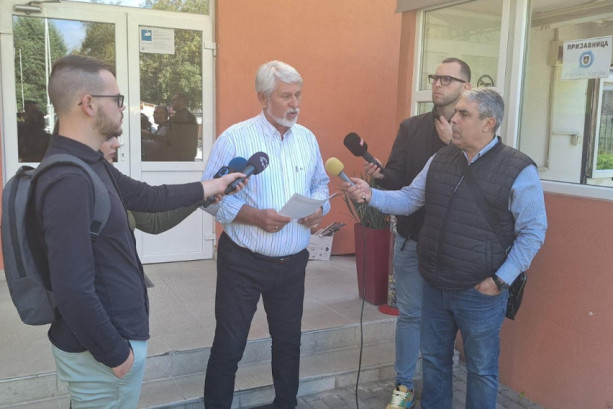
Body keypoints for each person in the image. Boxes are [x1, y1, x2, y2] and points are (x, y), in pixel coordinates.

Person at [33, 54, 243, 408]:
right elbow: (73, 289)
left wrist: (214, 185)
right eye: (117, 99)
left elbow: (149, 197)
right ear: (88, 104)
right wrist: (116, 355)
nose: (122, 108)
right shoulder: (69, 179)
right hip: (102, 355)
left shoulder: (90, 163)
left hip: (111, 342)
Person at [347, 88, 547, 409]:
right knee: (434, 362)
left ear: (488, 123)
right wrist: (372, 196)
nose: (453, 120)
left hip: (480, 292)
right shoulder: (440, 158)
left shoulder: (519, 169)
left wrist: (500, 280)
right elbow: (410, 198)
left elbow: (533, 231)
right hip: (435, 285)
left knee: (481, 370)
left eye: (464, 114)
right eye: (456, 113)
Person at [201, 60, 330, 409]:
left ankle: (285, 403)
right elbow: (208, 198)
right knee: (229, 346)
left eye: (298, 95)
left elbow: (320, 183)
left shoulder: (307, 139)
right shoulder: (235, 138)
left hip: (292, 264)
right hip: (242, 262)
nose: (295, 104)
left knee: (288, 342)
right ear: (263, 98)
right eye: (286, 96)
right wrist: (254, 216)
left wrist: (319, 208)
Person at [363, 57, 471, 409]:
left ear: (466, 87)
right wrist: (380, 176)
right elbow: (399, 181)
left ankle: (438, 385)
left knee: (445, 319)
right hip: (411, 239)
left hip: (453, 246)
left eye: (446, 79)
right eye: (435, 77)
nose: (437, 83)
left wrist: (454, 144)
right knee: (410, 316)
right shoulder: (411, 127)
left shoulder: (473, 132)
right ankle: (404, 386)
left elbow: (475, 183)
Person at [99, 136, 204, 287]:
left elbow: (154, 223)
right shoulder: (76, 183)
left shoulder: (112, 181)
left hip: (125, 284)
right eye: (108, 137)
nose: (117, 144)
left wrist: (201, 196)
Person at [169, 92, 198, 161]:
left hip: (179, 158)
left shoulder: (180, 118)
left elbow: (171, 138)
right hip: (187, 156)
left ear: (181, 101)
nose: (172, 103)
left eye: (173, 100)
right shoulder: (191, 117)